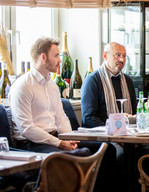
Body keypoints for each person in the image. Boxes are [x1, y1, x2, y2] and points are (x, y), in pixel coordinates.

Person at [9, 37, 117, 192]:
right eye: (56, 56)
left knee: (107, 149)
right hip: (32, 143)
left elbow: (60, 118)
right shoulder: (23, 86)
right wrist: (60, 144)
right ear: (43, 57)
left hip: (56, 138)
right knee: (75, 156)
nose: (60, 60)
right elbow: (26, 128)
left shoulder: (51, 85)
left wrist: (69, 139)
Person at [81, 42, 149, 182]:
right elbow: (88, 119)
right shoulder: (93, 80)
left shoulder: (128, 80)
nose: (122, 60)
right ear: (105, 56)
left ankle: (134, 186)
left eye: (124, 56)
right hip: (104, 138)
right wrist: (116, 132)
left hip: (130, 137)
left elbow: (135, 112)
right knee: (121, 157)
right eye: (117, 55)